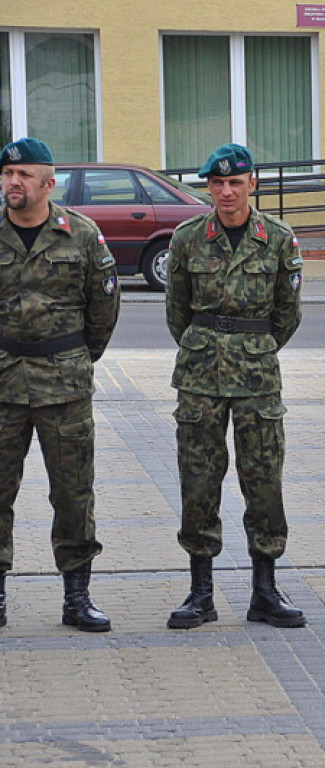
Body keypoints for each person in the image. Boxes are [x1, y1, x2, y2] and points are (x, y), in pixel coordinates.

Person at [165, 143, 305, 629]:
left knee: (264, 481)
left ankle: (264, 591)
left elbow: (286, 316)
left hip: (256, 378)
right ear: (209, 187)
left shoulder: (279, 240)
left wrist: (252, 349)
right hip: (200, 378)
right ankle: (200, 592)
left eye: (235, 183)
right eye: (217, 183)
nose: (226, 191)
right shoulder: (186, 239)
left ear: (253, 184)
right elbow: (177, 313)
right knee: (199, 481)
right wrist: (209, 345)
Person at [0, 137, 120, 632]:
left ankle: (77, 595)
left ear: (49, 184)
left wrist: (75, 355)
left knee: (73, 493)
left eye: (23, 175)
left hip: (64, 386)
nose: (13, 183)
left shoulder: (83, 236)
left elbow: (104, 309)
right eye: (7, 175)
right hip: (3, 383)